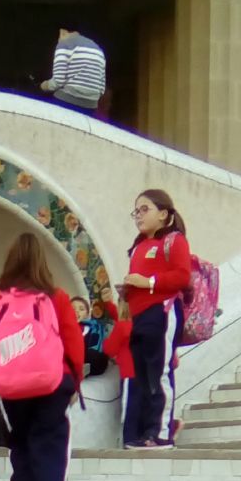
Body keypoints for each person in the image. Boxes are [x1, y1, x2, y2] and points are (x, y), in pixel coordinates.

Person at [0, 233, 84, 481]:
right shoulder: (56, 296)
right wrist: (74, 381)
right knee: (51, 447)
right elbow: (73, 342)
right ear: (42, 262)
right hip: (52, 382)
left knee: (21, 441)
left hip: (13, 386)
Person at [123, 189, 191, 447]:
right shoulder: (138, 246)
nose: (139, 216)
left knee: (158, 372)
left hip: (161, 311)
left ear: (163, 214)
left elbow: (182, 276)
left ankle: (160, 432)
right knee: (142, 375)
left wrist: (148, 282)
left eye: (145, 209)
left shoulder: (174, 241)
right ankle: (144, 433)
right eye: (136, 211)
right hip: (139, 316)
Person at [41, 26, 106, 116]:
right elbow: (101, 89)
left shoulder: (64, 43)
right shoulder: (98, 49)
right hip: (90, 106)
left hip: (67, 103)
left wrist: (43, 86)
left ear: (62, 31)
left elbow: (58, 81)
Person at [103, 296, 141, 448]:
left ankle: (129, 439)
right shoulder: (141, 326)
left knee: (129, 407)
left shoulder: (123, 326)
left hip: (129, 374)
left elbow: (109, 348)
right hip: (145, 373)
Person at [70, 295, 108, 377]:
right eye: (72, 308)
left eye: (81, 309)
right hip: (71, 360)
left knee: (94, 356)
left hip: (90, 360)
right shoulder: (61, 328)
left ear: (87, 314)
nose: (76, 311)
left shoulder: (91, 328)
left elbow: (96, 349)